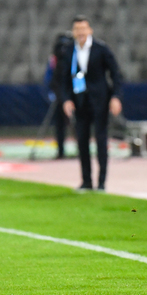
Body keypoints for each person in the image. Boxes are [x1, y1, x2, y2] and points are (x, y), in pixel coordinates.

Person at [62, 15, 123, 192]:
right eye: (77, 29)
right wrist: (66, 100)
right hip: (79, 102)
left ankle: (102, 182)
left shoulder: (101, 49)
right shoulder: (68, 51)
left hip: (100, 101)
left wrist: (116, 97)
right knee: (82, 141)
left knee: (101, 141)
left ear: (90, 30)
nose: (81, 32)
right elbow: (64, 79)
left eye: (83, 28)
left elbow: (116, 74)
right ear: (73, 32)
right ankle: (86, 181)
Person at [44, 32, 73, 159]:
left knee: (79, 123)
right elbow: (49, 77)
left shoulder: (76, 57)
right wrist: (52, 93)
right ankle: (61, 150)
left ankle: (83, 149)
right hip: (59, 94)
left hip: (72, 93)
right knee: (59, 124)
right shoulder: (54, 60)